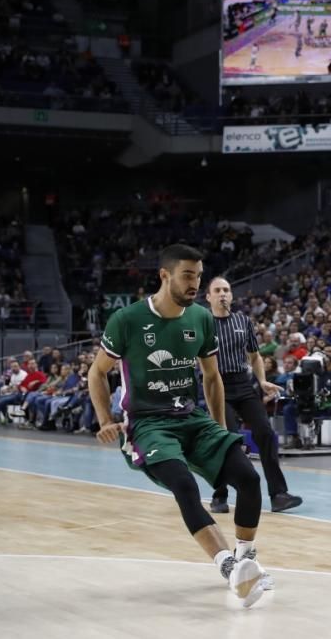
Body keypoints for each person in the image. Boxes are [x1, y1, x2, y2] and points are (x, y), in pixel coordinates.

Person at [88, 245, 267, 607]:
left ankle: (247, 561)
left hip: (192, 418)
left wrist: (221, 432)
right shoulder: (127, 320)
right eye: (188, 275)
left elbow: (212, 378)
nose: (195, 283)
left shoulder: (201, 318)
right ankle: (228, 566)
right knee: (184, 484)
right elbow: (98, 371)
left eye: (199, 276)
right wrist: (105, 419)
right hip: (148, 425)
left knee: (249, 479)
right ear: (164, 276)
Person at [205, 276, 302, 515]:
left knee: (266, 433)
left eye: (226, 290)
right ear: (208, 297)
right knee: (227, 438)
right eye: (217, 290)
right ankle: (220, 494)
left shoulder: (243, 321)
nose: (223, 294)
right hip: (216, 385)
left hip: (243, 384)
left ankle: (278, 494)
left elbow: (255, 356)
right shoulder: (202, 323)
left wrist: (262, 381)